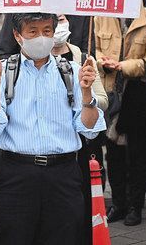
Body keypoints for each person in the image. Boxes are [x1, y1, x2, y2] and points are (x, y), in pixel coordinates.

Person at [0, 13, 106, 244]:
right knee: (13, 236)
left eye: (47, 31)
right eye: (33, 31)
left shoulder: (73, 71)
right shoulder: (3, 71)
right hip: (16, 174)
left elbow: (89, 129)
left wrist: (86, 92)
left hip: (63, 174)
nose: (41, 38)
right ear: (17, 35)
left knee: (65, 236)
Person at [95, 3, 146, 226]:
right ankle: (119, 203)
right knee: (113, 153)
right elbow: (95, 49)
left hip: (138, 92)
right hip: (111, 91)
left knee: (137, 153)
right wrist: (104, 63)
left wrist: (123, 66)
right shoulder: (102, 14)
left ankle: (135, 206)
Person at [51, 14, 109, 244]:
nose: (56, 26)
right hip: (54, 146)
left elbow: (103, 99)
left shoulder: (83, 57)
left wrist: (85, 95)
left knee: (83, 204)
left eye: (60, 19)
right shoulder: (30, 61)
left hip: (82, 145)